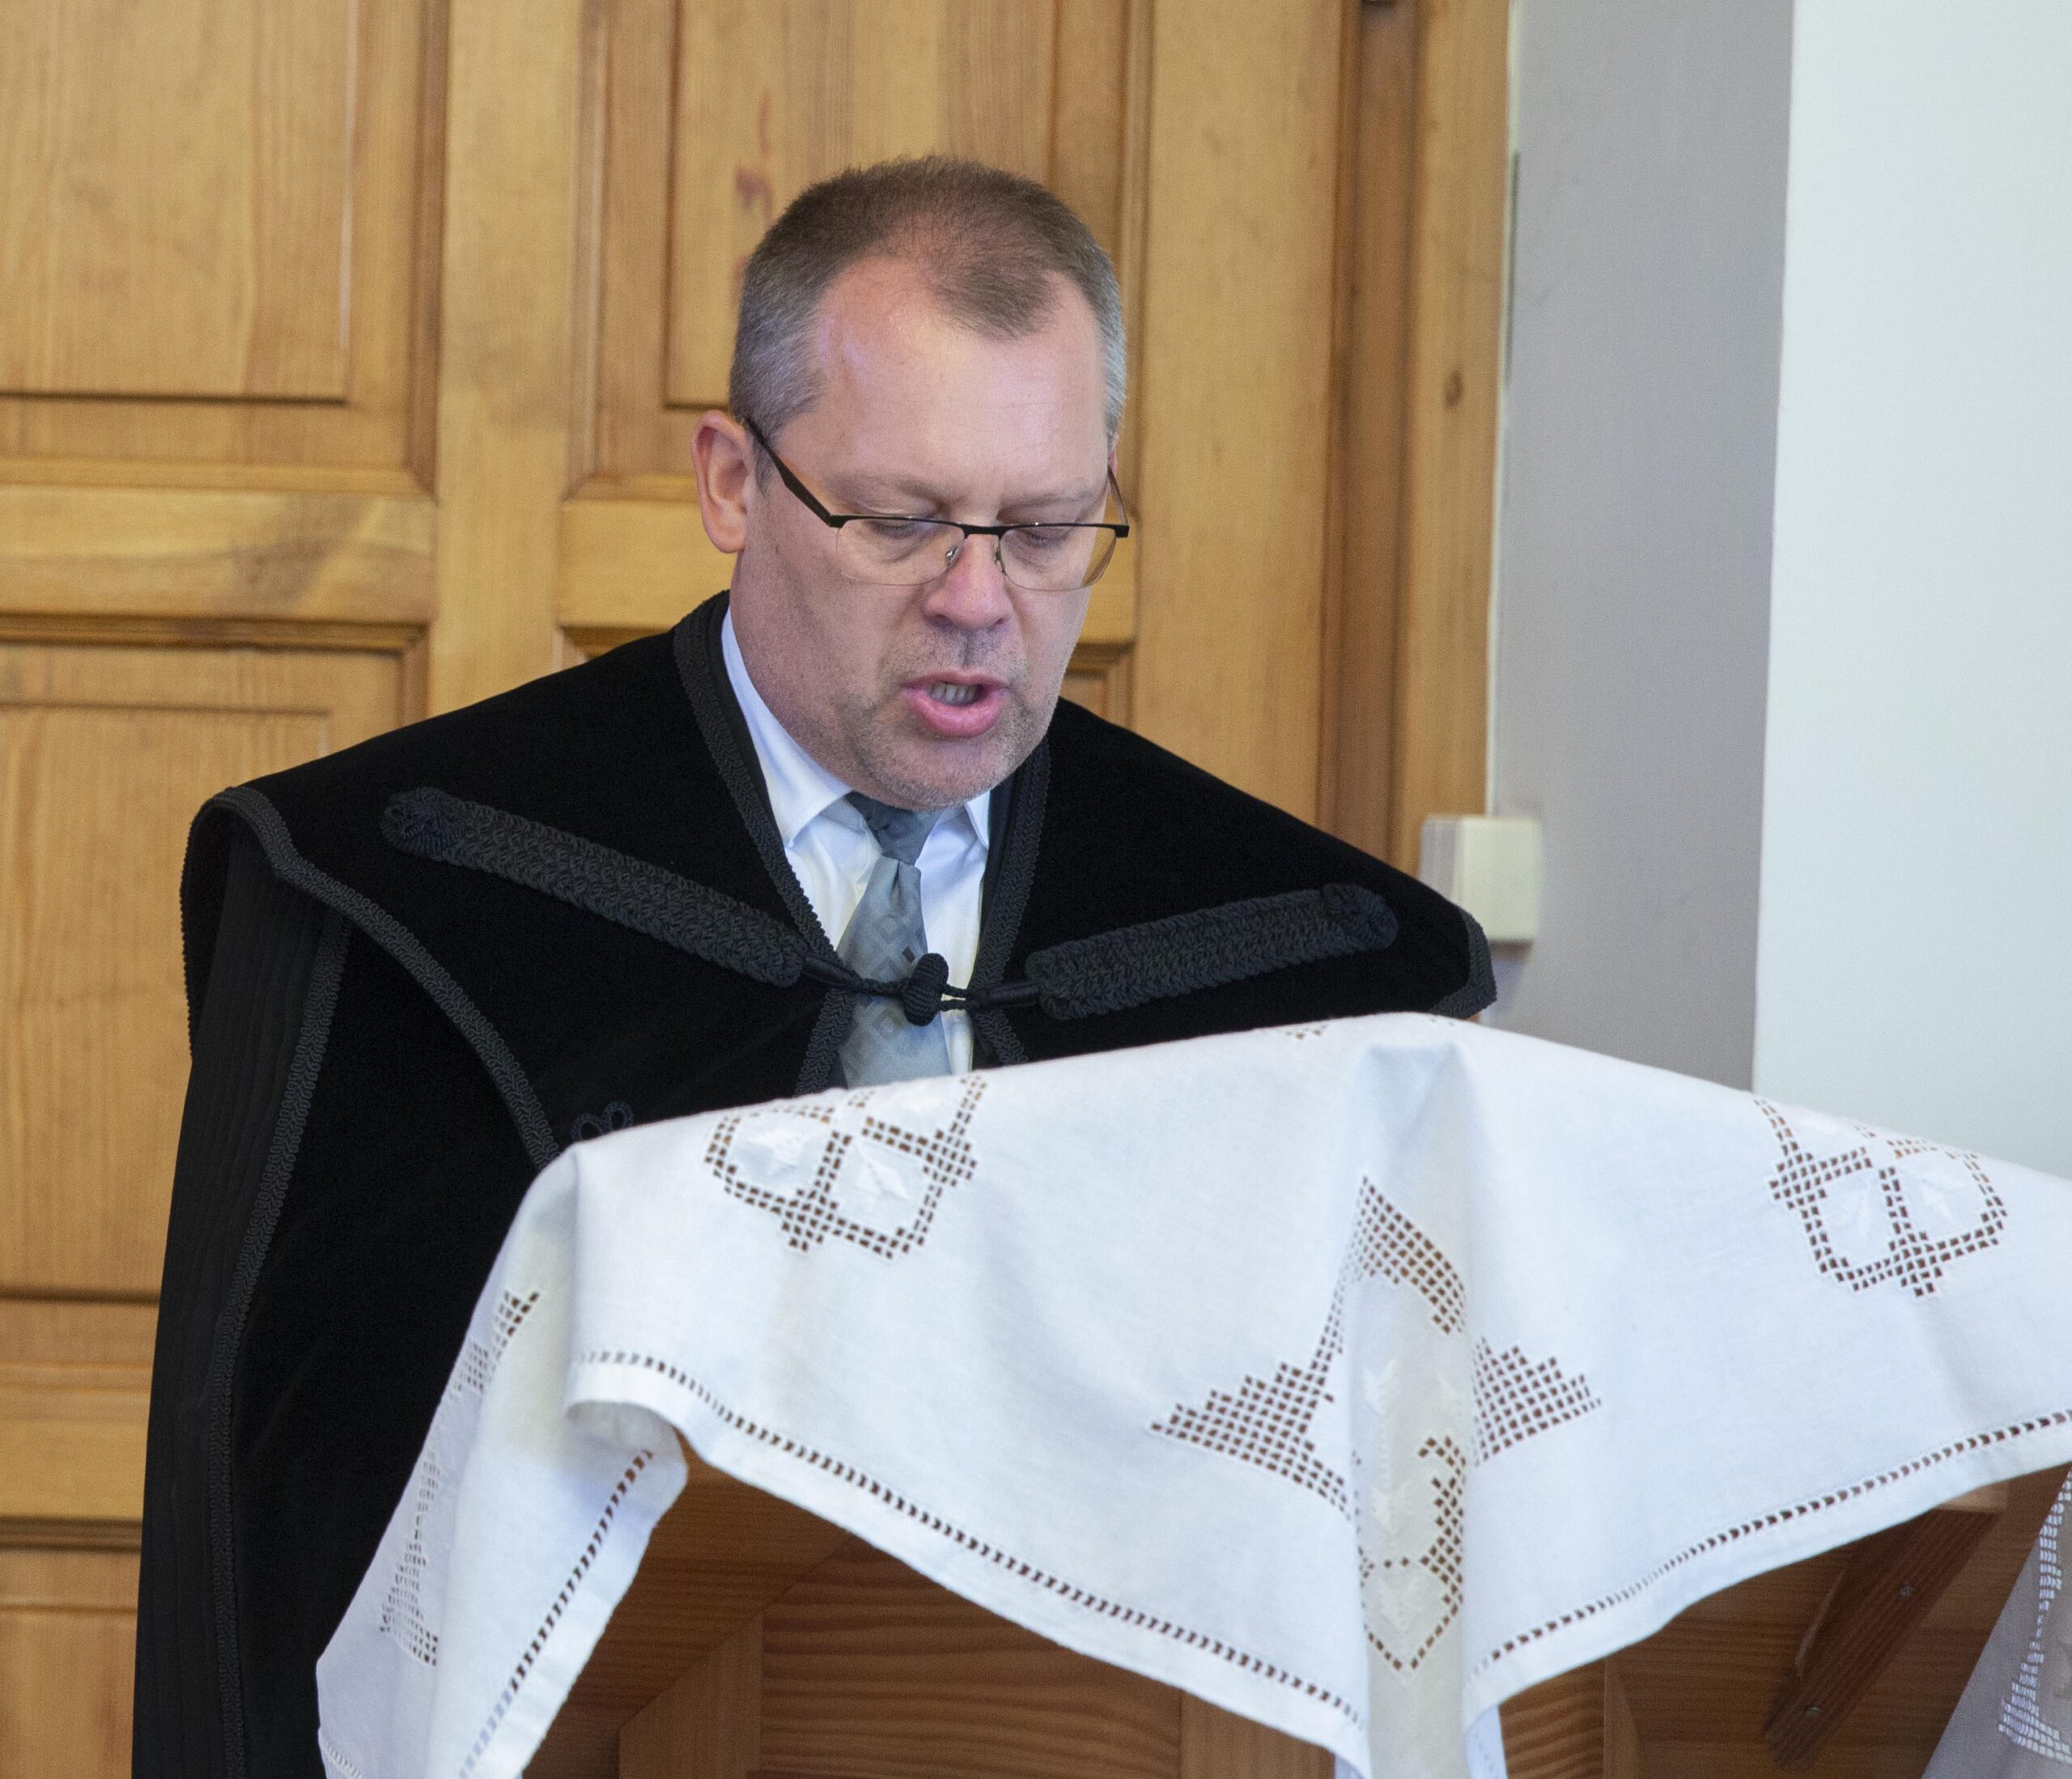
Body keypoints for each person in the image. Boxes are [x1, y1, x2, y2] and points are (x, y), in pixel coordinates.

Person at [135, 157, 1492, 1778]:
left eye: (1047, 530)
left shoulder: (1320, 957)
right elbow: (259, 1505)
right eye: (901, 521)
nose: (980, 603)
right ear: (733, 483)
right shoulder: (389, 886)